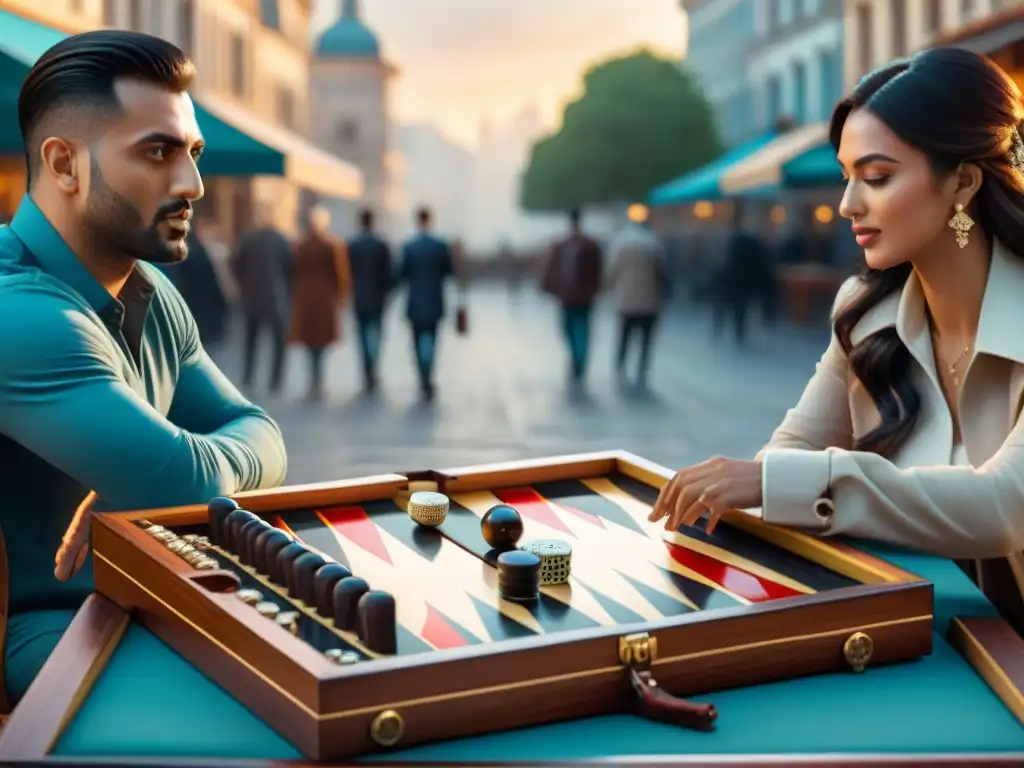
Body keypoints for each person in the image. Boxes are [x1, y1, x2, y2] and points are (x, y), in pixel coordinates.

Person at [648, 47, 1024, 635]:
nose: (848, 204)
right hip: (916, 639)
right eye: (847, 176)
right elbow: (790, 453)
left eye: (877, 177)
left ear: (964, 182)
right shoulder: (862, 309)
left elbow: (1007, 505)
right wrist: (765, 482)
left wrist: (776, 482)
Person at [0, 31, 288, 708]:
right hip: (49, 629)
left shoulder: (153, 293)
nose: (192, 184)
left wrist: (160, 471)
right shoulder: (21, 312)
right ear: (64, 164)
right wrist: (170, 471)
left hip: (157, 598)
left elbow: (262, 434)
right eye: (156, 153)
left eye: (191, 153)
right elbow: (189, 477)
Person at [288, 205, 350, 401]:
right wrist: (342, 297)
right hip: (324, 300)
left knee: (311, 342)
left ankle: (314, 379)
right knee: (319, 343)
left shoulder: (301, 245)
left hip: (306, 299)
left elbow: (293, 272)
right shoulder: (332, 245)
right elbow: (341, 275)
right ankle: (317, 378)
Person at [232, 206, 293, 395]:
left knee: (251, 342)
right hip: (276, 298)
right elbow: (290, 269)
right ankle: (275, 380)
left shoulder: (248, 240)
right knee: (279, 344)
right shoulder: (281, 240)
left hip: (252, 297)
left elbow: (236, 266)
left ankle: (248, 377)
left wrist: (243, 286)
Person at [606, 212, 670, 388]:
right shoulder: (654, 244)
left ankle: (620, 364)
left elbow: (612, 270)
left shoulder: (621, 244)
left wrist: (611, 289)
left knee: (624, 335)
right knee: (646, 338)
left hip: (626, 298)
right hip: (649, 300)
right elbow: (661, 273)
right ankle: (642, 368)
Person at [396, 207, 454, 401]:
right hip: (435, 301)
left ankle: (422, 376)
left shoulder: (409, 247)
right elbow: (449, 271)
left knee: (417, 342)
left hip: (415, 302)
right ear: (431, 220)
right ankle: (428, 375)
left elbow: (401, 274)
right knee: (432, 341)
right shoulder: (440, 246)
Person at [541, 209, 602, 385]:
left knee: (572, 329)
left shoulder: (566, 245)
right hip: (579, 296)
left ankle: (578, 359)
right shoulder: (587, 245)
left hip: (570, 295)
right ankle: (578, 358)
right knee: (576, 329)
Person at [346, 208, 393, 393]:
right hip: (377, 298)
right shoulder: (381, 245)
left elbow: (346, 273)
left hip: (359, 297)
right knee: (376, 335)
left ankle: (367, 370)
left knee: (363, 336)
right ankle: (373, 368)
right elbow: (389, 274)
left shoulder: (353, 245)